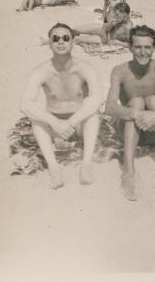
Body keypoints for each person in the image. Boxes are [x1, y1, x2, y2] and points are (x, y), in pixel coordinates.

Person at [104, 25, 155, 201]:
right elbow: (110, 107)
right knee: (136, 101)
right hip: (129, 131)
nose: (143, 52)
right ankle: (129, 170)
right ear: (130, 47)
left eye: (147, 47)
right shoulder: (119, 71)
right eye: (138, 47)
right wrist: (137, 114)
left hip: (154, 129)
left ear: (154, 48)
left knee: (153, 100)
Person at [20, 23, 102, 189]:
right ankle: (54, 168)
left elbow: (97, 98)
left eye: (66, 38)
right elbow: (25, 104)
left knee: (93, 115)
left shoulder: (85, 68)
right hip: (53, 125)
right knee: (36, 120)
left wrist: (71, 122)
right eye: (55, 39)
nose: (61, 42)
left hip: (78, 124)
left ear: (73, 42)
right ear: (49, 44)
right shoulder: (41, 71)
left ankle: (86, 165)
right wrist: (55, 123)